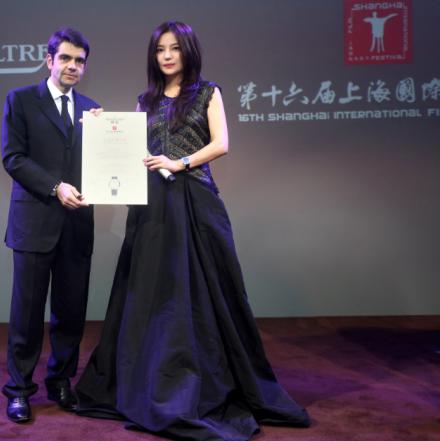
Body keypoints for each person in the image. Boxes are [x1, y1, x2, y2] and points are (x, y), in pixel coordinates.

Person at [75, 21, 310, 440]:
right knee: (152, 291)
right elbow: (131, 149)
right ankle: (151, 382)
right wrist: (101, 124)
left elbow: (221, 143)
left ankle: (202, 383)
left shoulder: (207, 93)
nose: (167, 56)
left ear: (188, 51)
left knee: (202, 292)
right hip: (153, 207)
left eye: (174, 48)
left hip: (196, 202)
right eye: (160, 49)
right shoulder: (145, 100)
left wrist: (179, 162)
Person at [0, 27, 100, 424]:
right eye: (66, 58)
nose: (73, 66)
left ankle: (60, 381)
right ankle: (19, 390)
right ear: (50, 60)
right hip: (34, 222)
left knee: (71, 312)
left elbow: (102, 165)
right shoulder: (21, 100)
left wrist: (109, 136)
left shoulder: (92, 110)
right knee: (26, 313)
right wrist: (55, 187)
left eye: (80, 61)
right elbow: (13, 158)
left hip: (77, 225)